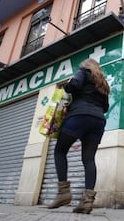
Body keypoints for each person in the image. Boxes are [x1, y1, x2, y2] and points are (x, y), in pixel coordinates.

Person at [48, 58, 110, 214]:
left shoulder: (83, 72)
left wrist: (66, 86)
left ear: (86, 66)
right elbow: (106, 107)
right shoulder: (102, 82)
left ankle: (63, 193)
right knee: (89, 159)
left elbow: (73, 86)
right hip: (98, 120)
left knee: (60, 151)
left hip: (78, 116)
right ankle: (87, 202)